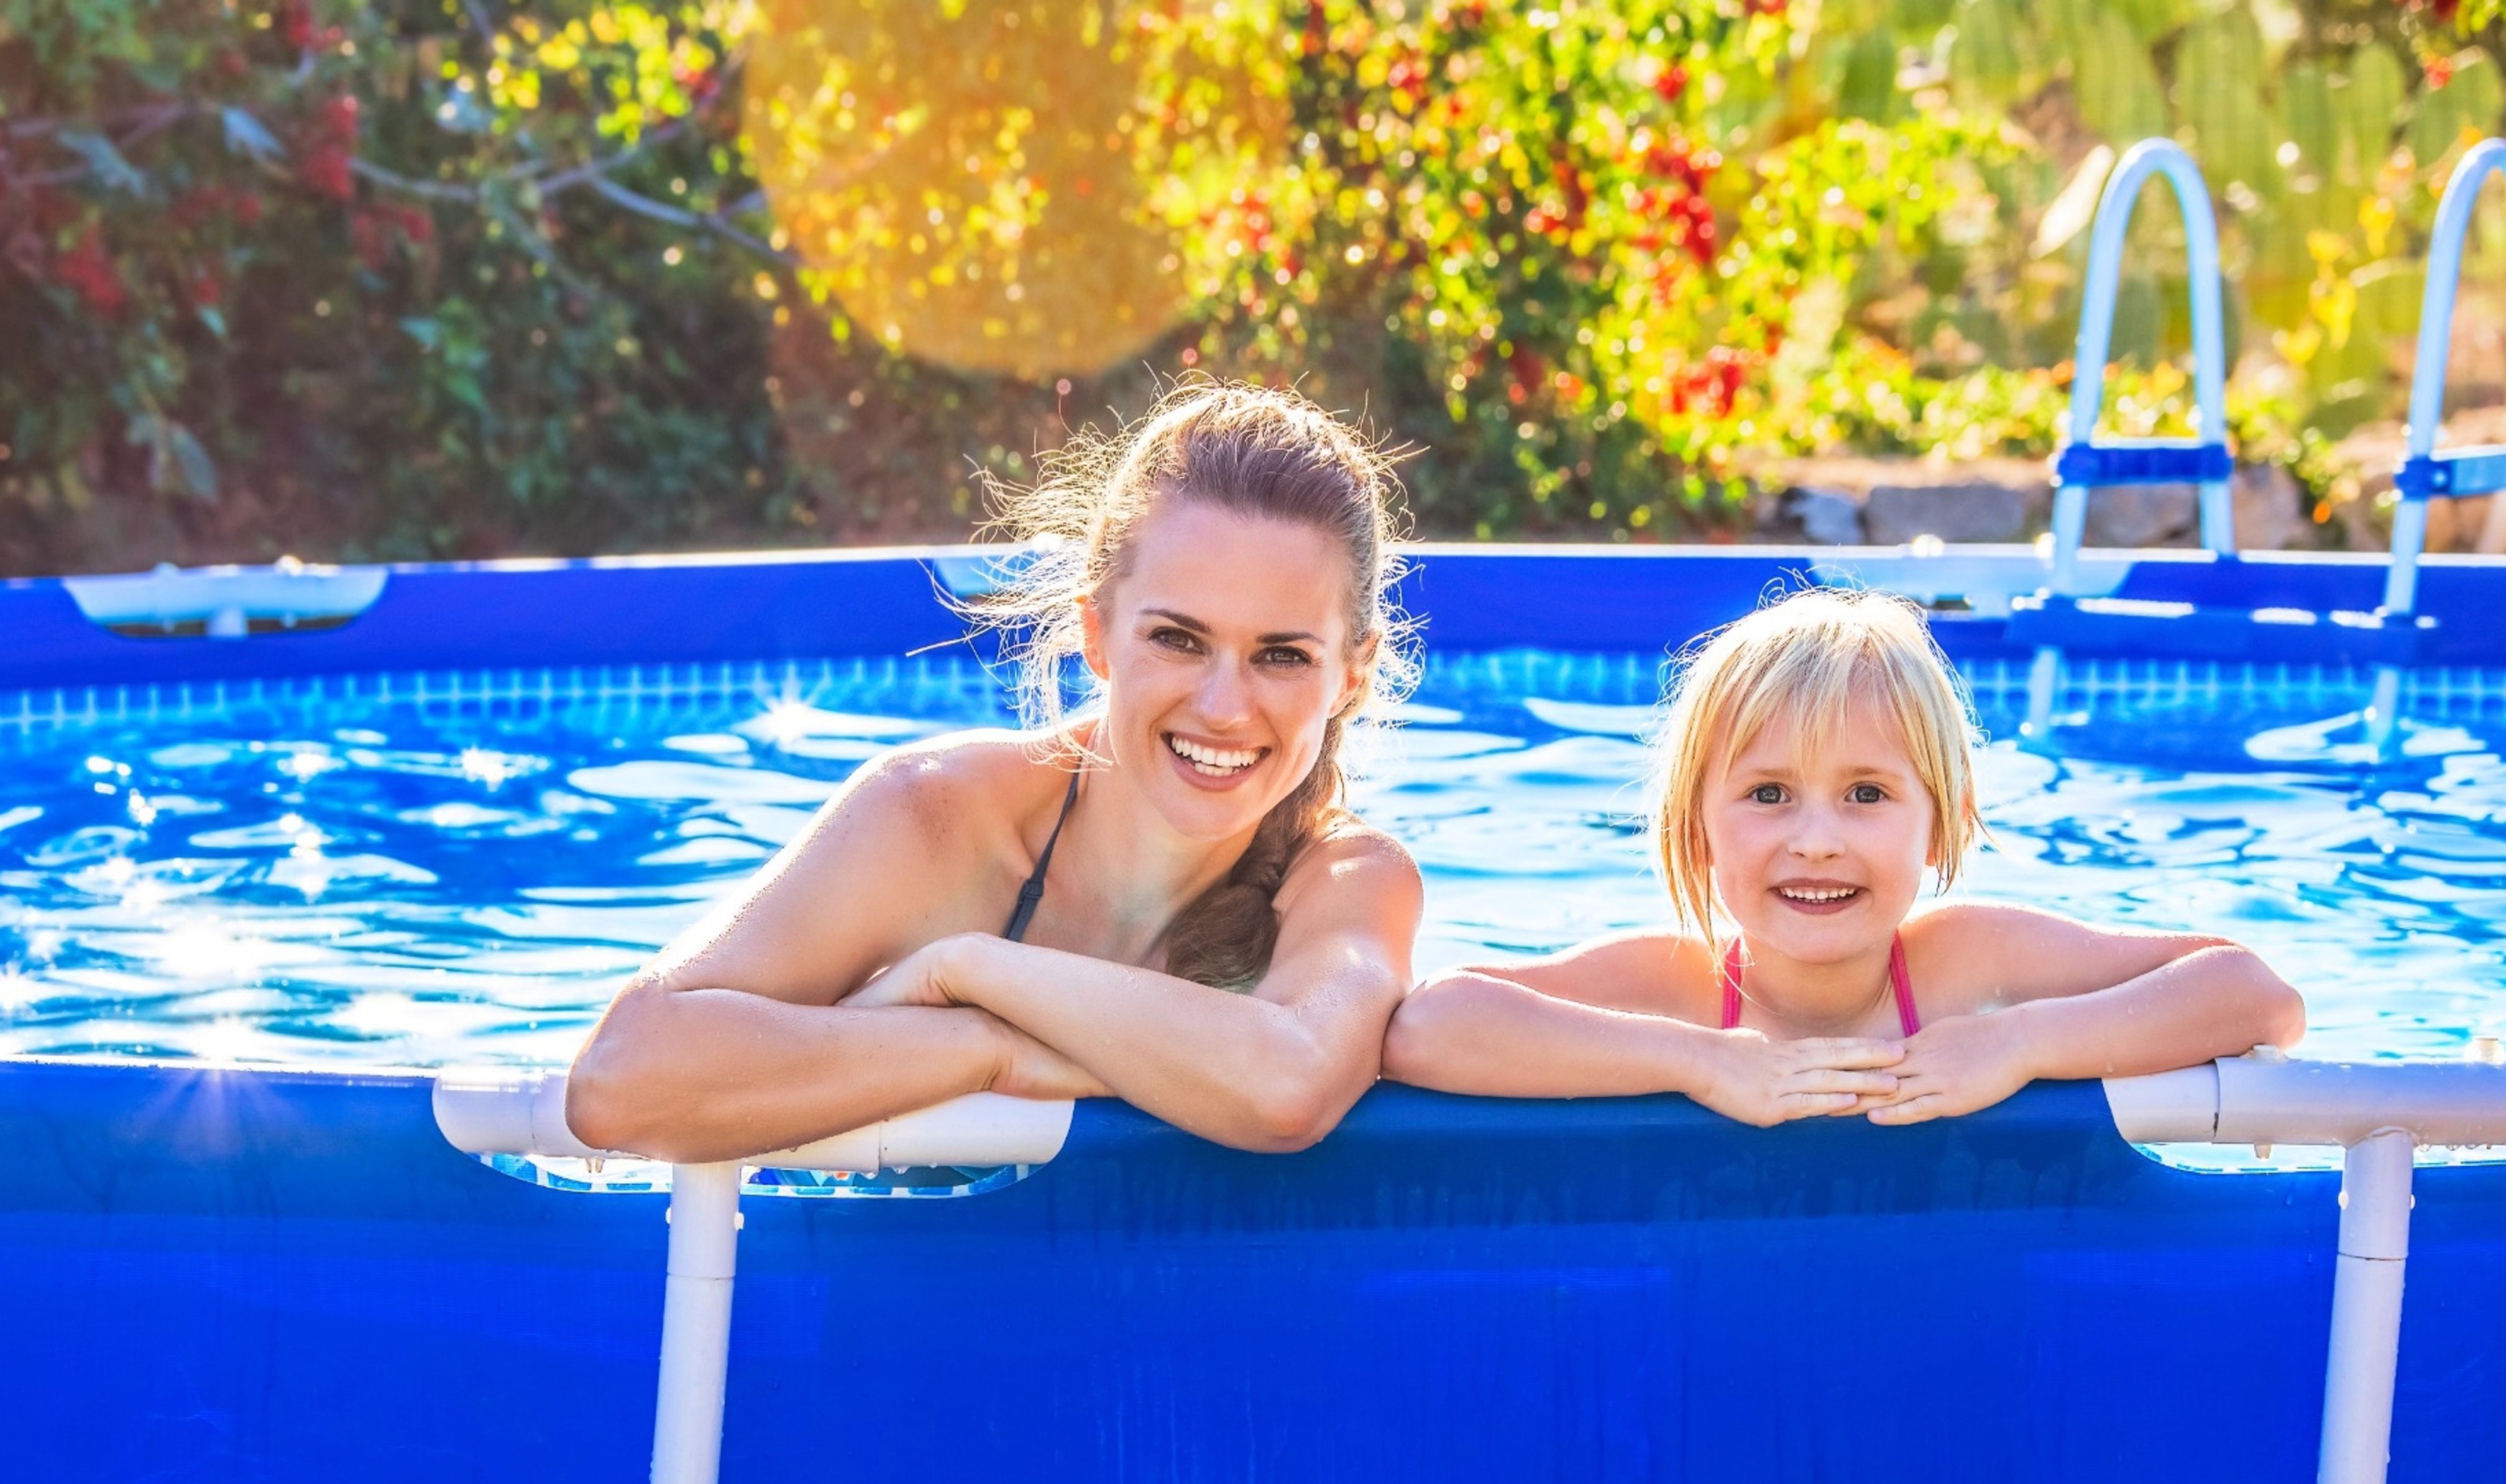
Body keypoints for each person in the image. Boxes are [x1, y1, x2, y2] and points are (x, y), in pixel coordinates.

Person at [566, 383, 1424, 1161]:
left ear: (1350, 674)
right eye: (1177, 639)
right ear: (1097, 634)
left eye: (1281, 655)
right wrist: (988, 1046)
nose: (1225, 707)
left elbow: (1286, 1089)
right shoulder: (933, 817)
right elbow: (619, 1083)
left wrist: (973, 970)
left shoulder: (1347, 881)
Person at [1383, 588, 2305, 1125]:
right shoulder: (1680, 989)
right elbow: (1428, 1026)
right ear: (1696, 828)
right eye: (1768, 794)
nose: (1815, 839)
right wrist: (1701, 1063)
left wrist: (2022, 1042)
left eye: (1867, 795)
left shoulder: (1973, 972)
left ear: (1938, 825)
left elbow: (2255, 995)